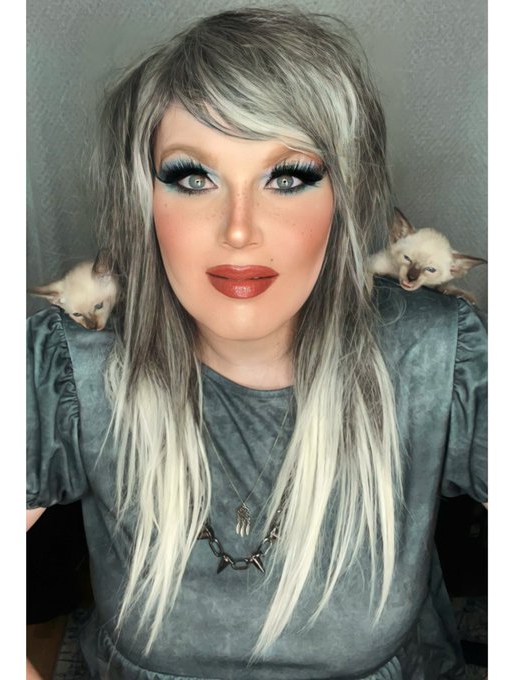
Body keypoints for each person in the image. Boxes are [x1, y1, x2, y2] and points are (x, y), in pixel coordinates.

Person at [26, 8, 487, 680]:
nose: (239, 230)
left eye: (288, 177)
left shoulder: (438, 357)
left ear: (344, 201)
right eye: (192, 177)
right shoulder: (69, 366)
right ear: (143, 203)